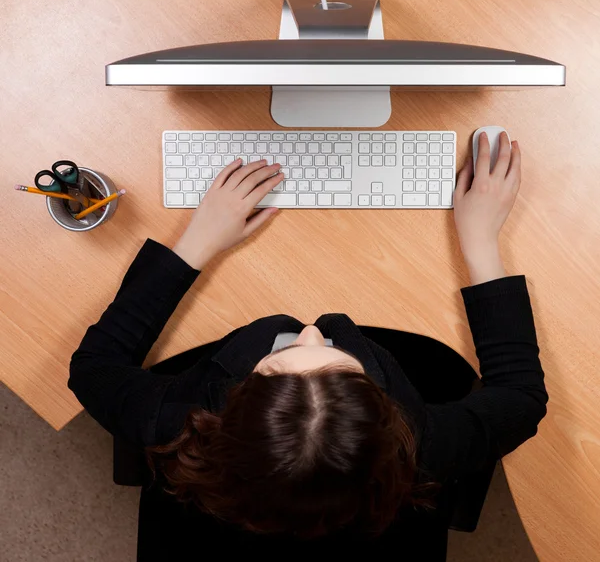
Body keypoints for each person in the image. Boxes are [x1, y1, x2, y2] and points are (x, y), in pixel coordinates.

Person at [69, 132, 547, 559]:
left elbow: (93, 366)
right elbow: (521, 398)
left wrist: (197, 240)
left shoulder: (177, 421)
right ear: (387, 414)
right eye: (343, 362)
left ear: (233, 405)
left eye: (280, 357)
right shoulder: (419, 447)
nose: (312, 329)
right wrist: (481, 239)